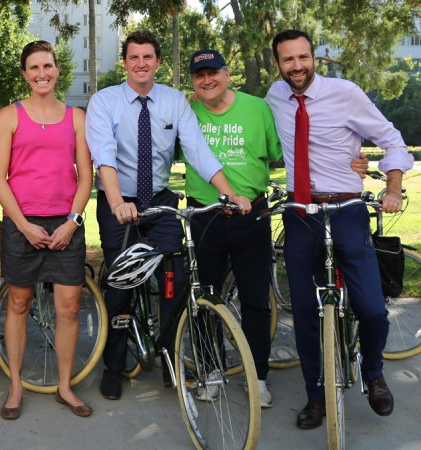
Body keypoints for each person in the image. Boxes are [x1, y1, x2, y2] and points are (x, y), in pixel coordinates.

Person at [85, 29, 250, 400]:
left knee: (174, 282)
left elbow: (198, 150)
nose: (140, 64)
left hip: (160, 200)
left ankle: (169, 359)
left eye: (148, 57)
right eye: (133, 57)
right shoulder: (104, 101)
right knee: (121, 286)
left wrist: (230, 193)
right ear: (124, 63)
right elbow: (104, 156)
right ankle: (113, 366)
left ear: (158, 62)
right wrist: (116, 203)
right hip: (118, 200)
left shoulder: (174, 100)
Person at [265, 29, 414, 429]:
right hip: (300, 213)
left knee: (371, 309)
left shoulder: (345, 92)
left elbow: (392, 140)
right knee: (307, 314)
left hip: (345, 208)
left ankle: (374, 373)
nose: (296, 66)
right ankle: (316, 395)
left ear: (314, 57)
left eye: (302, 58)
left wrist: (393, 187)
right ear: (277, 65)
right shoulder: (274, 98)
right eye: (287, 60)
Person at [0, 40, 94, 419]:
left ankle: (64, 386)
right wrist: (22, 225)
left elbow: (87, 178)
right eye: (33, 67)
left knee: (68, 308)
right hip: (22, 224)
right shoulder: (9, 116)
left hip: (66, 224)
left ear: (57, 69)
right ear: (25, 74)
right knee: (19, 302)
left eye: (47, 66)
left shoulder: (76, 118)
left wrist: (73, 221)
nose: (41, 73)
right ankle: (16, 385)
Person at [185, 49, 282, 407]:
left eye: (213, 73)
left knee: (255, 300)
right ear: (193, 82)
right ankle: (210, 372)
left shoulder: (257, 109)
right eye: (199, 76)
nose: (207, 80)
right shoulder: (188, 111)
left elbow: (275, 152)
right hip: (205, 216)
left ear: (227, 75)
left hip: (251, 217)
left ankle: (258, 377)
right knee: (205, 299)